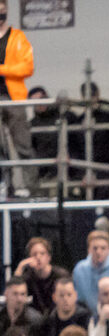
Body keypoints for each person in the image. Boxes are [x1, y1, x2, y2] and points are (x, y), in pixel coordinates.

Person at [0, 1, 33, 196]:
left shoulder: (18, 37)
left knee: (23, 144)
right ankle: (5, 185)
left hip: (13, 97)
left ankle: (30, 186)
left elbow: (27, 67)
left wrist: (2, 69)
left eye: (2, 12)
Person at [16, 237, 57, 315]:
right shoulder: (27, 278)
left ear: (49, 257)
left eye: (42, 253)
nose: (38, 257)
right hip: (34, 318)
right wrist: (21, 266)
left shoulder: (60, 276)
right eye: (34, 254)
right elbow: (13, 292)